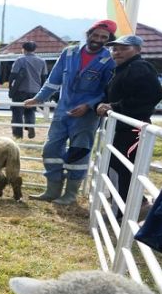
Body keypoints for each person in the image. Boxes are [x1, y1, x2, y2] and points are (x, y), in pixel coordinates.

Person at [24, 19, 117, 205]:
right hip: (63, 110)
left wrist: (89, 106)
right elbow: (54, 79)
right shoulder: (69, 53)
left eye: (103, 37)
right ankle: (52, 190)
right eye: (95, 35)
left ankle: (70, 194)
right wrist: (39, 98)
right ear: (88, 34)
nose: (98, 39)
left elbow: (107, 90)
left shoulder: (110, 60)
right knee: (51, 148)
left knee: (79, 152)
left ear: (109, 39)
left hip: (87, 116)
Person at [95, 34, 162, 216]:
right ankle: (133, 205)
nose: (117, 52)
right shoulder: (122, 69)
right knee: (118, 167)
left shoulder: (140, 67)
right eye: (115, 49)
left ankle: (122, 212)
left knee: (122, 168)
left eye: (124, 48)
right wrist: (105, 104)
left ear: (138, 50)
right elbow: (114, 95)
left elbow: (153, 95)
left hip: (133, 128)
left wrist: (115, 106)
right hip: (121, 127)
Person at [8, 41, 47, 139]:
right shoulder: (42, 61)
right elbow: (44, 78)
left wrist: (11, 89)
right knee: (30, 111)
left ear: (23, 49)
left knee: (17, 112)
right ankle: (30, 126)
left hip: (20, 90)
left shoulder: (20, 60)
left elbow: (13, 75)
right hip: (35, 91)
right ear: (34, 49)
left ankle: (18, 135)